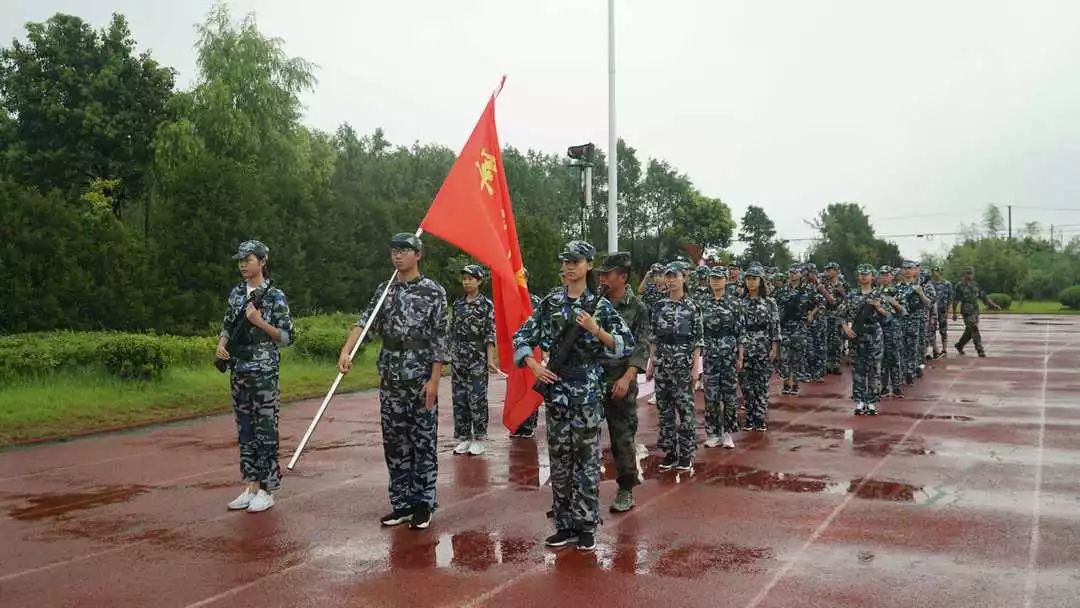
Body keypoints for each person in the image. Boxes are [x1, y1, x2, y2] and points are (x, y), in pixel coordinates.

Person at [513, 240, 634, 552]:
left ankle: (586, 525)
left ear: (588, 265)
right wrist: (532, 365)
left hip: (587, 393)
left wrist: (597, 330)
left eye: (576, 261)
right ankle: (564, 524)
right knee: (560, 459)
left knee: (586, 461)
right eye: (565, 261)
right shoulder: (551, 303)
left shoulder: (600, 306)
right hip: (556, 392)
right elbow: (522, 336)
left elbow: (625, 345)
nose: (569, 266)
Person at [338, 233, 448, 530]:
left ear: (418, 255)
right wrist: (348, 350)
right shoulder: (384, 290)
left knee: (422, 442)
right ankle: (401, 503)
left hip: (420, 375)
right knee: (395, 442)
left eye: (404, 251)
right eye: (394, 251)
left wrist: (435, 380)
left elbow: (439, 338)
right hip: (391, 376)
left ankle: (423, 503)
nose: (397, 256)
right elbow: (366, 323)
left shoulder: (433, 292)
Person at [218, 240, 294, 514]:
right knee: (245, 430)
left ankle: (267, 488)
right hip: (239, 368)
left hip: (263, 371)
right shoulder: (237, 293)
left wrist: (260, 322)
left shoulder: (274, 296)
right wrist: (221, 344)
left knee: (265, 430)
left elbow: (286, 337)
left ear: (262, 262)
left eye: (247, 259)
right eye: (239, 260)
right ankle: (250, 485)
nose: (242, 264)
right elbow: (228, 325)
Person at [595, 252, 650, 512]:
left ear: (623, 277)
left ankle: (626, 489)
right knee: (584, 438)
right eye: (601, 274)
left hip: (621, 380)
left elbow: (641, 347)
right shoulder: (594, 302)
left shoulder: (637, 308)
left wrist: (627, 378)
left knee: (622, 437)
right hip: (593, 379)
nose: (602, 278)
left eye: (608, 274)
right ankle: (583, 492)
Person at [648, 261, 704, 472]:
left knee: (685, 410)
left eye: (674, 276)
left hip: (683, 364)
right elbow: (653, 337)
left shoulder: (692, 307)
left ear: (684, 278)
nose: (670, 280)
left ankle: (687, 453)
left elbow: (698, 340)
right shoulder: (659, 306)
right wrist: (653, 361)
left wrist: (695, 368)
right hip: (663, 364)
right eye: (668, 276)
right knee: (665, 411)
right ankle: (670, 451)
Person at [449, 264, 499, 456]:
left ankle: (479, 437)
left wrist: (490, 359)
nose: (467, 282)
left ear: (479, 281)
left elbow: (489, 334)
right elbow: (452, 331)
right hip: (459, 357)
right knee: (460, 398)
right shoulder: (458, 304)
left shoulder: (486, 305)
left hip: (477, 357)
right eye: (465, 278)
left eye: (471, 278)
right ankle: (464, 437)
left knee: (476, 398)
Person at [700, 266, 741, 449]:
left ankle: (727, 433)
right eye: (712, 278)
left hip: (729, 355)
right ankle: (712, 433)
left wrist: (740, 356)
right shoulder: (703, 303)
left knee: (730, 395)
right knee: (711, 396)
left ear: (726, 280)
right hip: (710, 354)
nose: (715, 281)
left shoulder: (734, 303)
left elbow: (741, 332)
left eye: (719, 278)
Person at [738, 265, 780, 431]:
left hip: (763, 346)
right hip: (745, 346)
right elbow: (738, 327)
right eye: (748, 279)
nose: (751, 282)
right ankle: (749, 416)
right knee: (746, 385)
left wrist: (774, 347)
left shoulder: (770, 302)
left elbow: (775, 326)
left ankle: (760, 417)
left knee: (761, 384)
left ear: (761, 281)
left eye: (754, 279)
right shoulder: (741, 302)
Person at [842, 264, 886, 415]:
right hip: (857, 336)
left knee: (874, 369)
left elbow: (888, 317)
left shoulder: (879, 294)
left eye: (867, 274)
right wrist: (846, 328)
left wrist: (879, 307)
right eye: (861, 274)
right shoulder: (851, 295)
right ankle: (860, 401)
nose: (864, 276)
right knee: (858, 370)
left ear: (872, 276)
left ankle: (872, 401)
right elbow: (840, 314)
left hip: (874, 335)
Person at [511, 268, 543, 439]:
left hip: (532, 349)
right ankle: (517, 421)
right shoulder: (510, 299)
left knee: (530, 386)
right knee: (516, 387)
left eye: (521, 277)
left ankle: (529, 423)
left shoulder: (535, 301)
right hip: (515, 349)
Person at [773, 265, 813, 396]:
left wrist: (811, 314)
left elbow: (820, 302)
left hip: (799, 326)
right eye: (790, 272)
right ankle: (786, 382)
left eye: (795, 272)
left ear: (801, 274)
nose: (792, 274)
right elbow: (774, 305)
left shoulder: (807, 290)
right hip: (785, 326)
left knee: (797, 356)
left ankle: (795, 382)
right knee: (784, 356)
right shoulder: (781, 290)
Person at [952, 266, 1000, 356]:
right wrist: (954, 313)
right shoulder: (959, 285)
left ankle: (959, 345)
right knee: (974, 328)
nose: (969, 275)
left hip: (975, 310)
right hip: (966, 310)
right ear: (964, 274)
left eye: (971, 273)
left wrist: (993, 305)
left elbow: (984, 297)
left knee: (969, 332)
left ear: (973, 274)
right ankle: (980, 349)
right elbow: (956, 300)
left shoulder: (976, 285)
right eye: (967, 273)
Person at [875, 266, 907, 399]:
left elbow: (904, 311)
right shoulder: (875, 292)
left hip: (893, 328)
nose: (884, 277)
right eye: (882, 274)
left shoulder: (897, 292)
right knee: (881, 358)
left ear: (891, 276)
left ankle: (896, 386)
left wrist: (894, 303)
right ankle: (883, 387)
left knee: (894, 357)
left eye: (887, 275)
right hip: (879, 328)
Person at [800, 263, 829, 383]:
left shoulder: (820, 285)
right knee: (807, 347)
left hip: (818, 320)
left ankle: (818, 373)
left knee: (819, 346)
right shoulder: (803, 285)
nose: (806, 275)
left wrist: (812, 313)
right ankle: (808, 372)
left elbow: (824, 302)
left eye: (808, 273)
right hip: (806, 319)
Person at [823, 262, 848, 375]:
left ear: (837, 271)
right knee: (827, 339)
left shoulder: (844, 284)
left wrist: (843, 293)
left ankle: (836, 363)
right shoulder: (824, 284)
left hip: (839, 315)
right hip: (827, 314)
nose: (828, 272)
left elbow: (849, 299)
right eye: (827, 270)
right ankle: (828, 364)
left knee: (838, 340)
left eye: (830, 270)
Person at [930, 266, 953, 359]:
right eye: (934, 271)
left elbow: (950, 298)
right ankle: (935, 350)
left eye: (937, 271)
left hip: (943, 310)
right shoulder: (930, 284)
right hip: (933, 311)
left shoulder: (947, 284)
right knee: (932, 330)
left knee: (943, 330)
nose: (935, 273)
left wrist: (949, 310)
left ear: (940, 273)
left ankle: (944, 349)